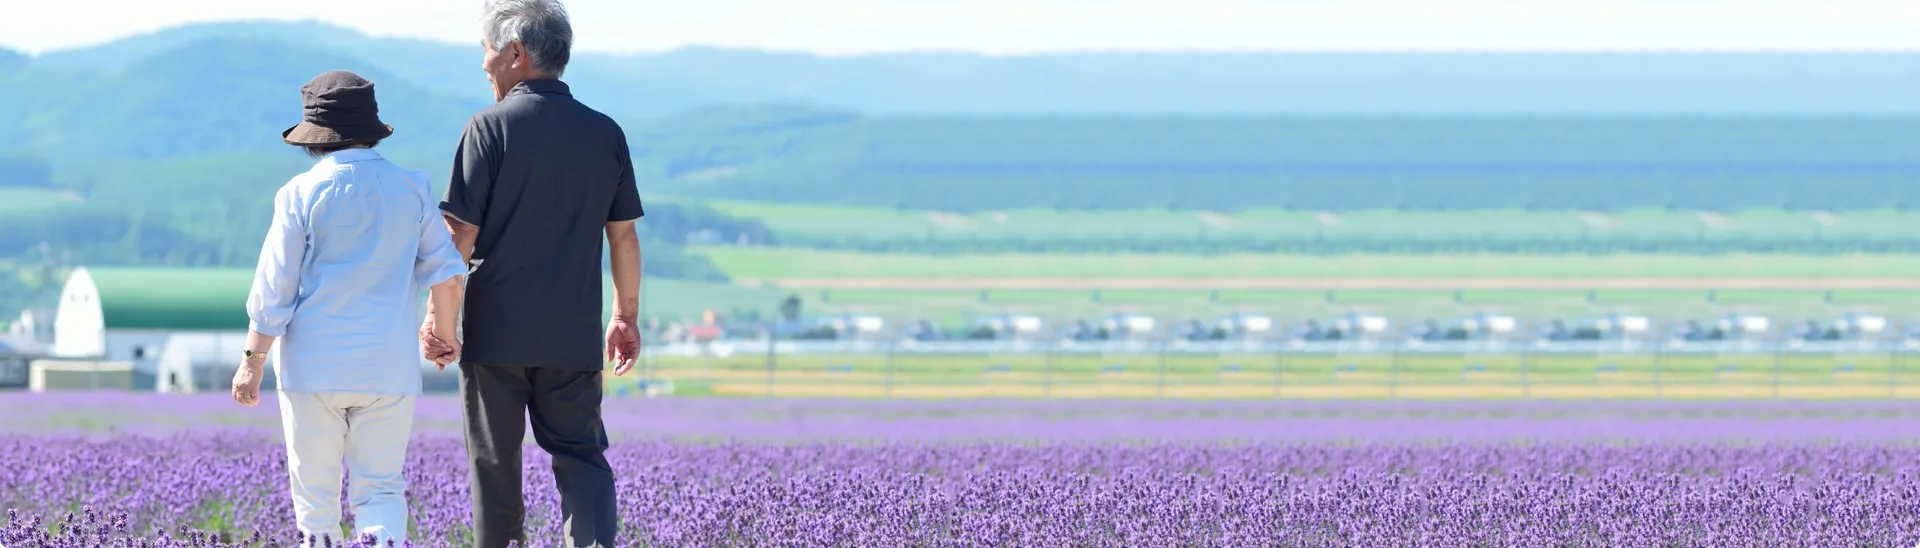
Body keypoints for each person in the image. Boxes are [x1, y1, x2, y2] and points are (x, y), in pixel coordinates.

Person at [429, 1, 643, 546]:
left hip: (495, 335)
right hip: (572, 334)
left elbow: (459, 234)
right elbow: (623, 236)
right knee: (583, 459)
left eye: (487, 50)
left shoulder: (488, 128)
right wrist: (625, 316)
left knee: (495, 466)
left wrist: (440, 321)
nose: (483, 63)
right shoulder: (606, 133)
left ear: (516, 53)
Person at [230, 70, 468, 545]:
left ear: (315, 136)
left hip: (312, 369)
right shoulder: (412, 187)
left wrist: (252, 363)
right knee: (380, 490)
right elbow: (447, 271)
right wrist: (443, 335)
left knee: (315, 502)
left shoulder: (299, 193)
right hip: (388, 368)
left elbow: (275, 289)